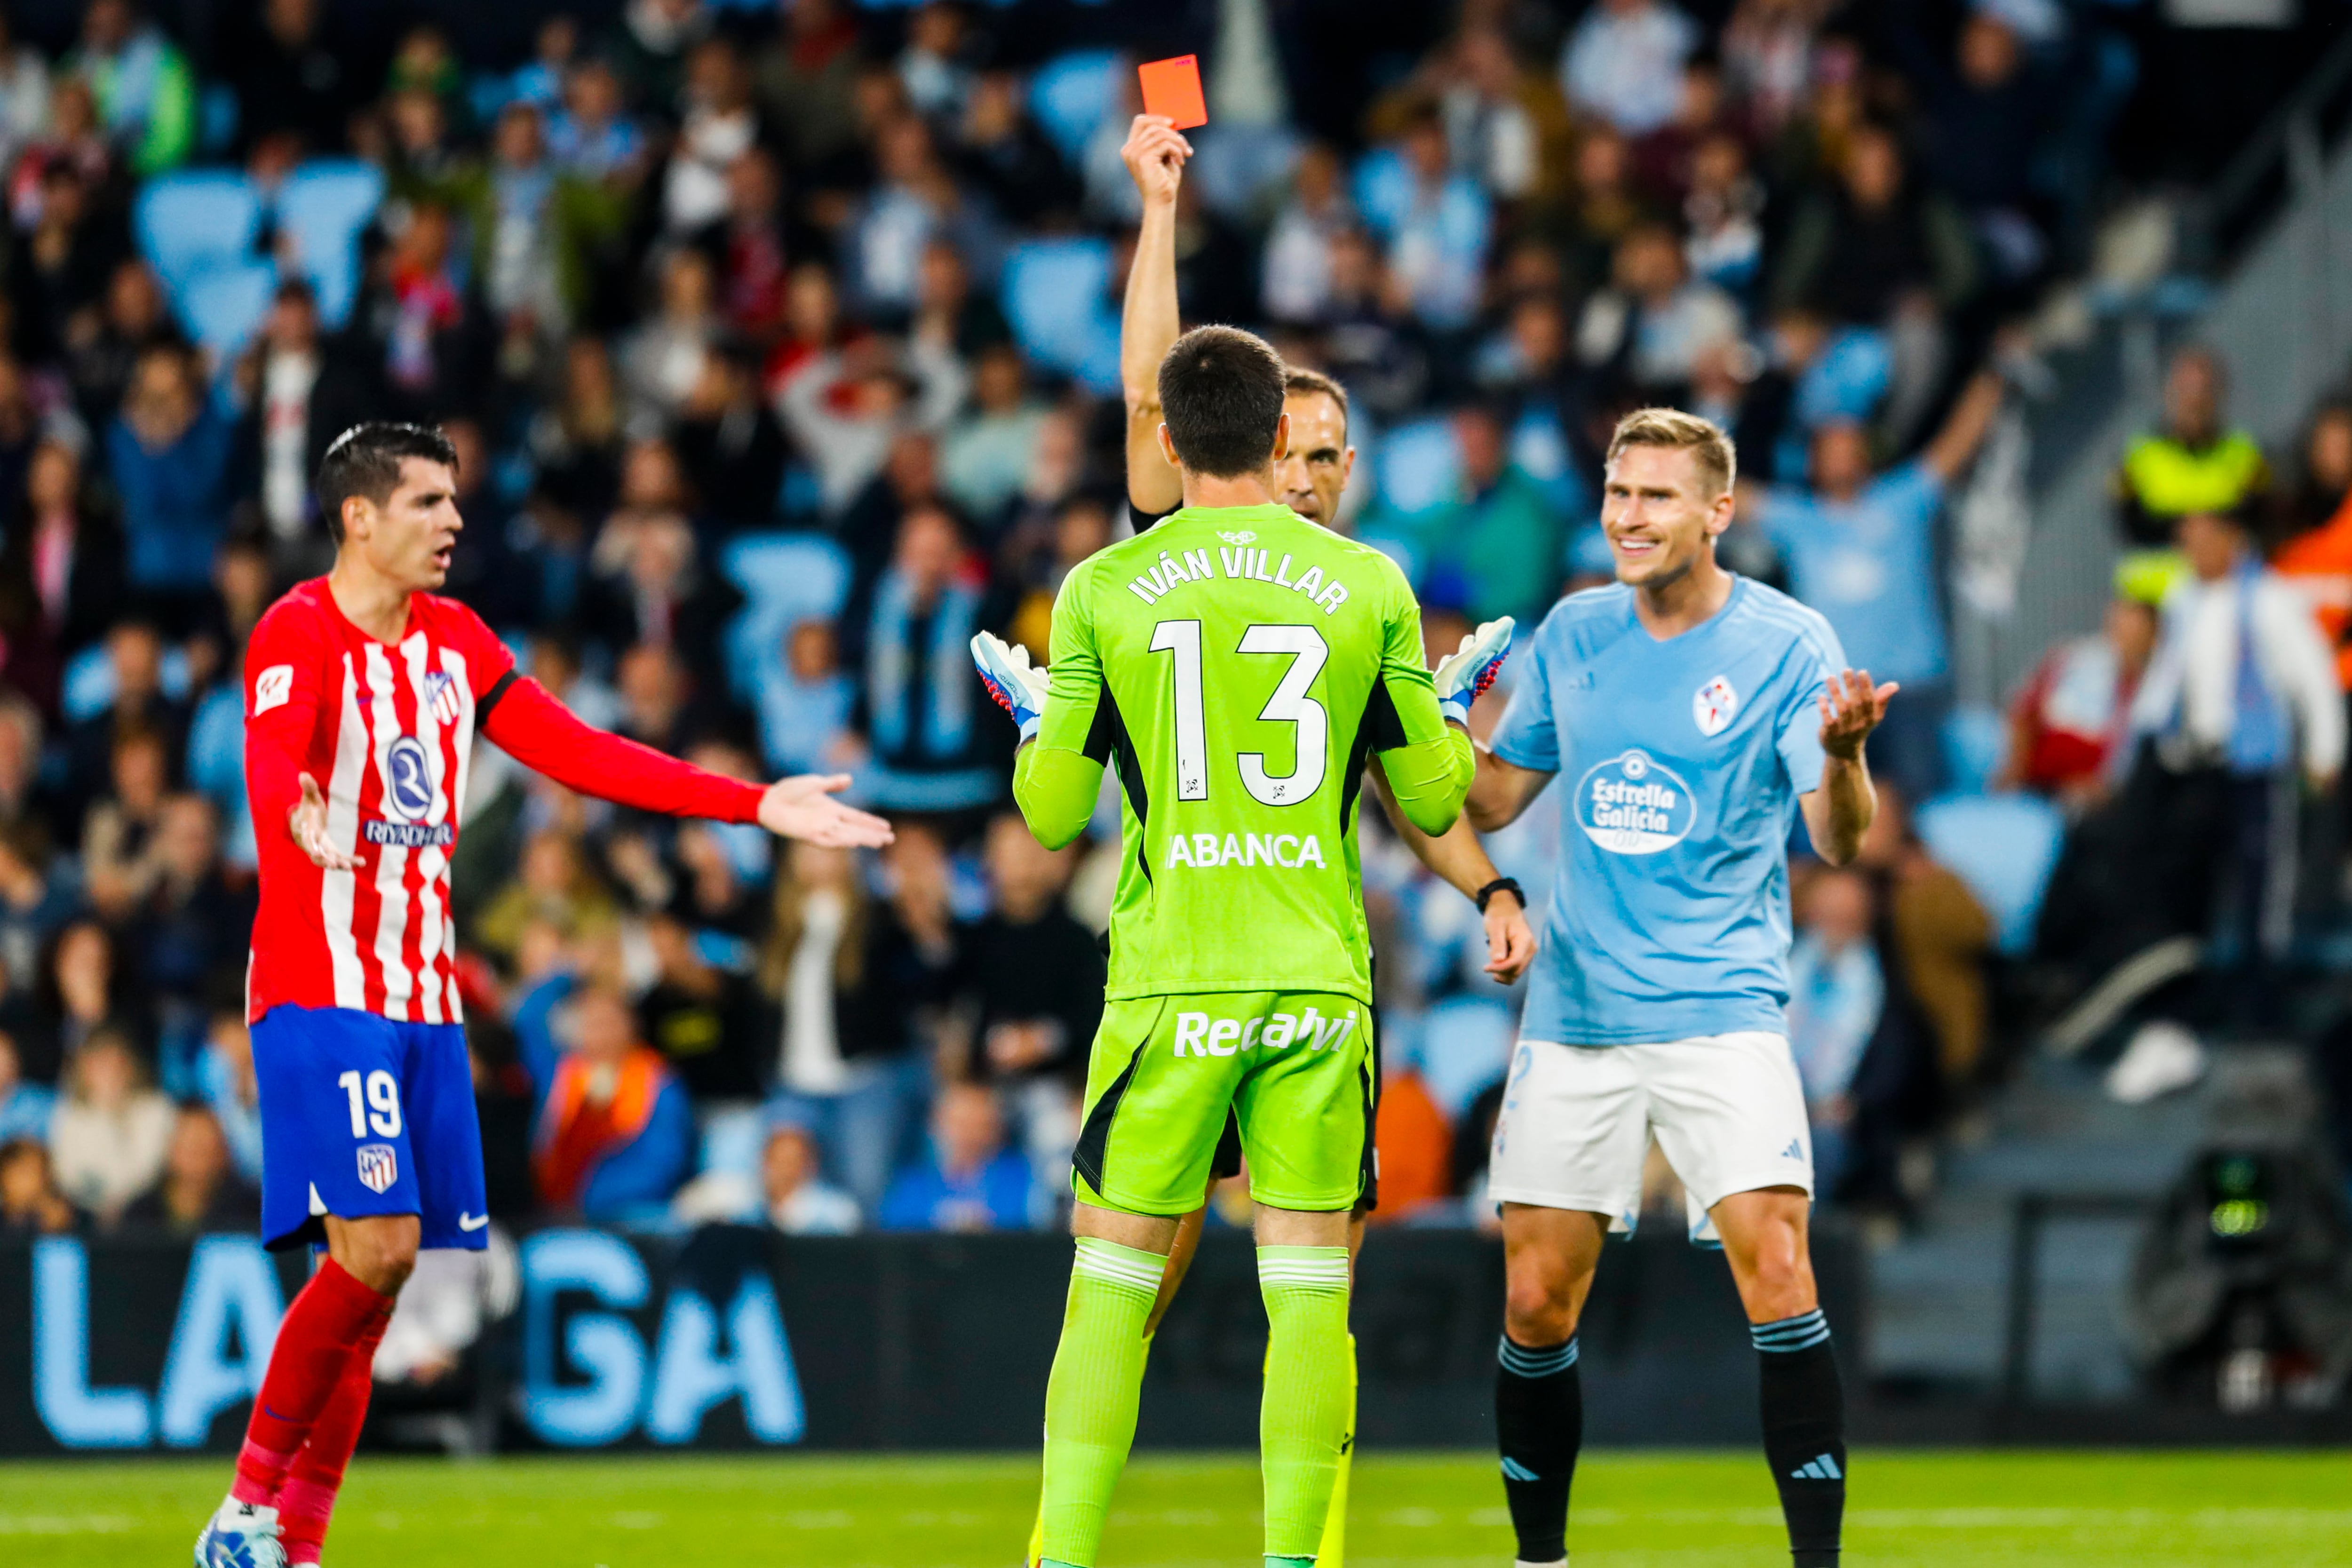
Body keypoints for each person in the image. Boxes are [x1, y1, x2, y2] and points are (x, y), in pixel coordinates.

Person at [193, 422, 892, 1568]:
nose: (454, 521)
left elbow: (577, 749)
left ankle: (297, 1548)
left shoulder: (457, 639)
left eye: (454, 500)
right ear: (359, 517)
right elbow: (276, 755)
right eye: (426, 502)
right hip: (326, 988)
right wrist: (299, 810)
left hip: (424, 1002)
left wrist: (750, 804)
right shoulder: (297, 629)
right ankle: (244, 1508)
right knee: (371, 1252)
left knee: (384, 1274)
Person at [969, 321, 1499, 1568]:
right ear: (1277, 437)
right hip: (1316, 977)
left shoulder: (1102, 586)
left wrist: (1038, 718)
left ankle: (1063, 1559)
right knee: (1310, 1288)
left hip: (1169, 981)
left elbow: (1050, 819)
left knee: (1111, 1284)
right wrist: (1452, 707)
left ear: (1168, 437)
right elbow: (1431, 798)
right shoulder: (1366, 583)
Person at [1094, 119, 1541, 1564]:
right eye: (1295, 448)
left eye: (1336, 453)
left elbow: (1403, 793)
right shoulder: (1181, 534)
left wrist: (1487, 881)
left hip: (1288, 969)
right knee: (1141, 1279)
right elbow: (1143, 392)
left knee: (1315, 1279)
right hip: (1191, 960)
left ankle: (1308, 1543)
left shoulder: (1351, 599)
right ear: (1247, 449)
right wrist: (1158, 214)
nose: (1315, 472)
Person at [1464, 406, 1893, 1568]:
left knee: (1780, 1268)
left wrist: (1845, 756)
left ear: (1718, 511)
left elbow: (1839, 842)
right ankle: (1540, 1559)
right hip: (1579, 1013)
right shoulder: (1574, 629)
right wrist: (1409, 721)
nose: (1627, 516)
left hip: (1721, 1008)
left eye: (1656, 496)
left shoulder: (1789, 644)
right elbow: (1494, 799)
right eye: (1616, 491)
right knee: (1536, 1303)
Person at [877, 1079, 1041, 1232]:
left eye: (978, 1125)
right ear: (936, 1125)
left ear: (995, 1130)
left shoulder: (1020, 1178)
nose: (967, 1135)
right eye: (959, 1124)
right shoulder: (913, 1183)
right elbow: (894, 1231)